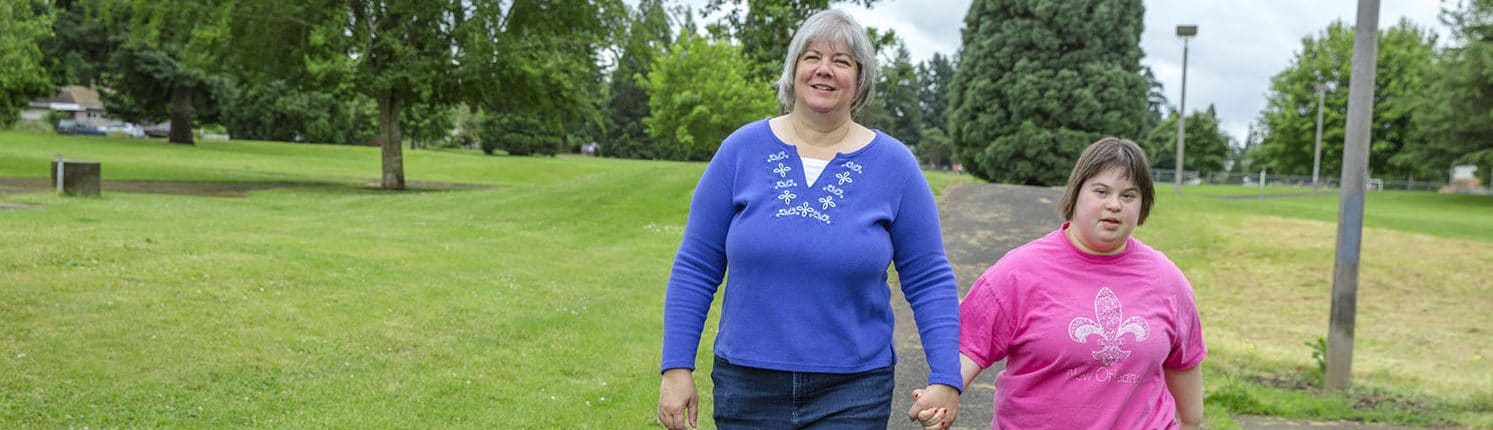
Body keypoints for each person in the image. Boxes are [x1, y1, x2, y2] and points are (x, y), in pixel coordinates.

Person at [657, 8, 963, 430]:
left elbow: (929, 277)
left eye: (841, 62)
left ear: (859, 80)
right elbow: (696, 264)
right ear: (793, 69)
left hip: (853, 391)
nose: (825, 70)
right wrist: (676, 368)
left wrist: (946, 376)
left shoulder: (896, 166)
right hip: (747, 385)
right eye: (812, 57)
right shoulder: (740, 150)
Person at [916, 137, 1206, 429]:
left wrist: (1191, 423)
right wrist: (944, 391)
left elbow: (1185, 363)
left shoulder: (1166, 279)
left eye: (1129, 195)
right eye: (1101, 191)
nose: (1114, 205)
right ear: (1076, 192)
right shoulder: (1019, 272)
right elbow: (970, 345)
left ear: (1143, 205)